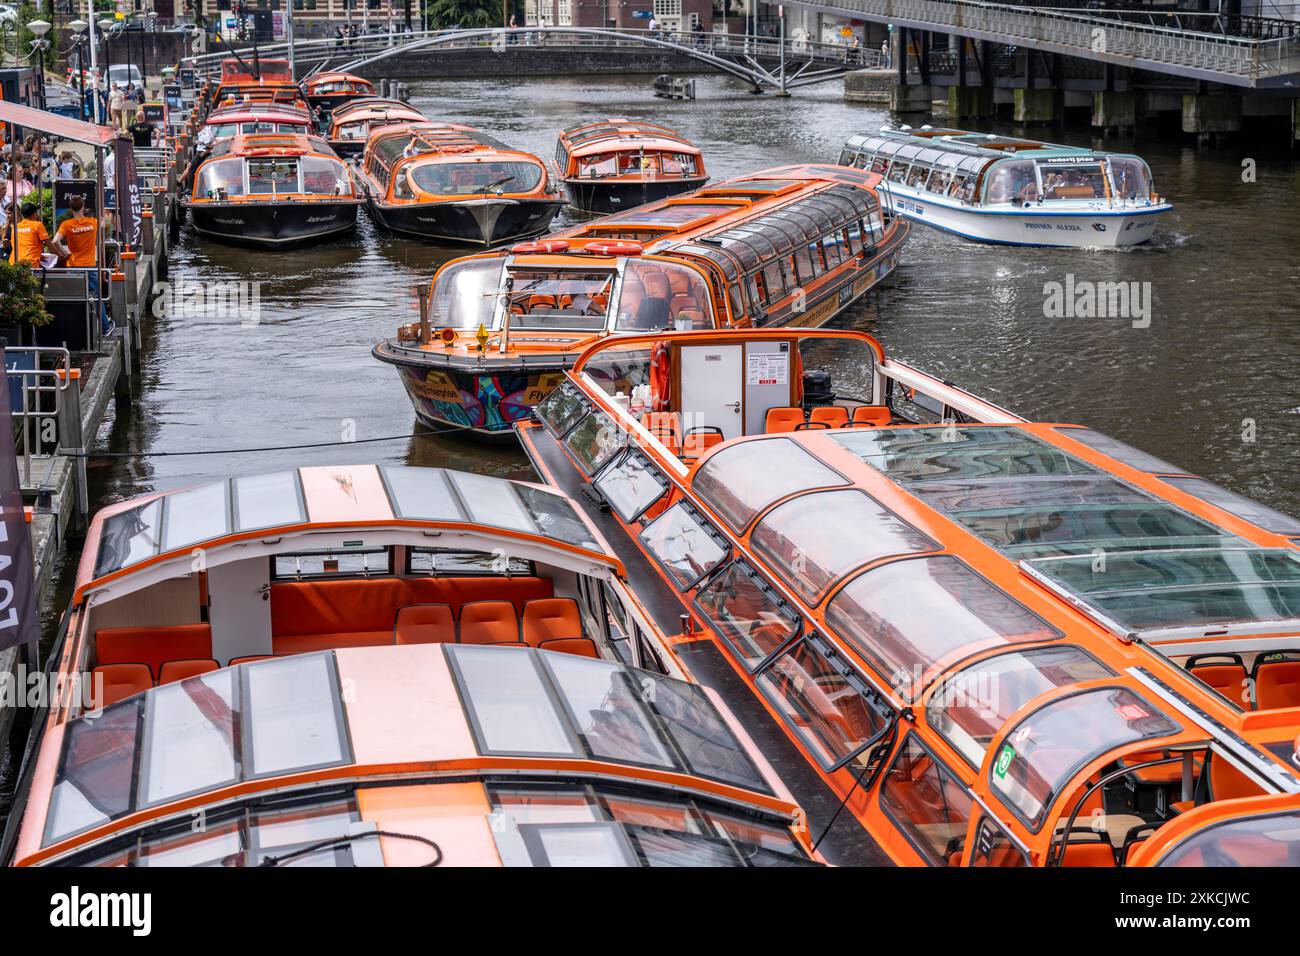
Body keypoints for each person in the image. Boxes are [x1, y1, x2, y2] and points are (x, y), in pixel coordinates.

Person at [54, 195, 98, 268]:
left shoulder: (66, 224)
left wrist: (64, 253)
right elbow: (105, 223)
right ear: (83, 207)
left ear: (71, 208)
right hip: (90, 264)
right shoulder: (93, 222)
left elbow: (55, 241)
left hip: (73, 264)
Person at [10, 202, 52, 268]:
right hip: (29, 264)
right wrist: (60, 255)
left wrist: (39, 256)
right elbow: (49, 244)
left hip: (14, 263)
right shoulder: (38, 225)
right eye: (37, 213)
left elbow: (19, 246)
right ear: (34, 215)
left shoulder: (15, 227)